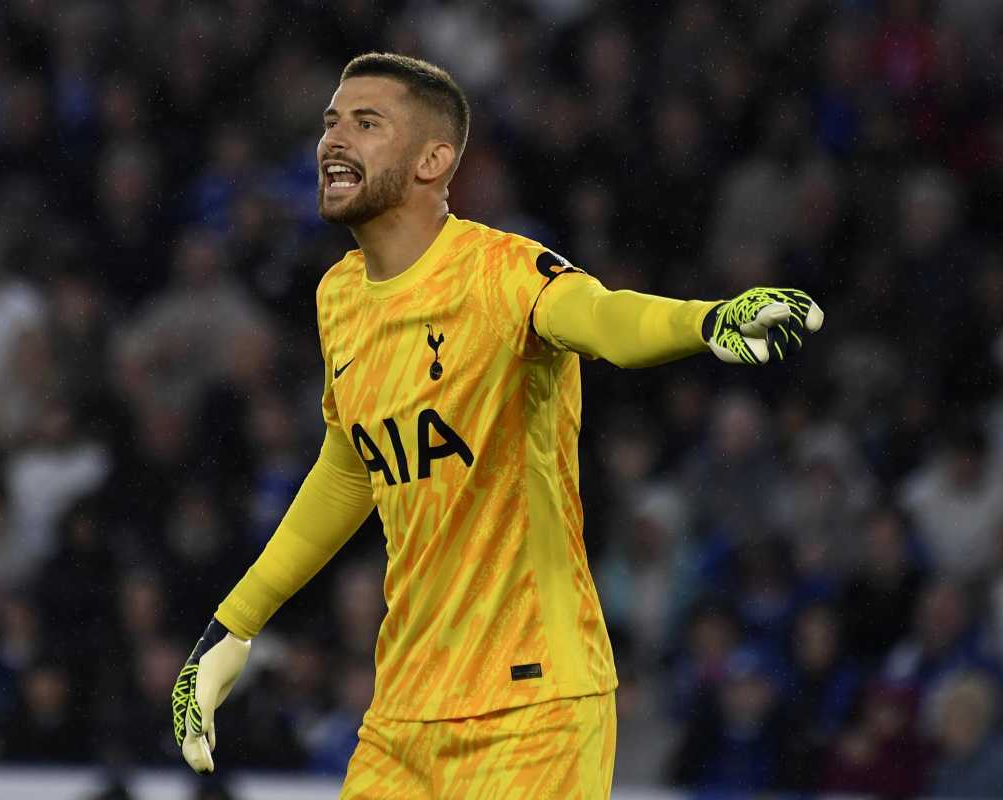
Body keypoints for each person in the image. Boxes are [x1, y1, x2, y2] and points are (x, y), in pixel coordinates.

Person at [172, 52, 824, 799]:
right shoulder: (339, 298)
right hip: (403, 716)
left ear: (433, 159)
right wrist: (235, 625)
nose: (333, 140)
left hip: (534, 705)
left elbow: (605, 317)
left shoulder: (500, 273)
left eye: (365, 122)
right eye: (330, 123)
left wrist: (706, 321)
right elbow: (352, 465)